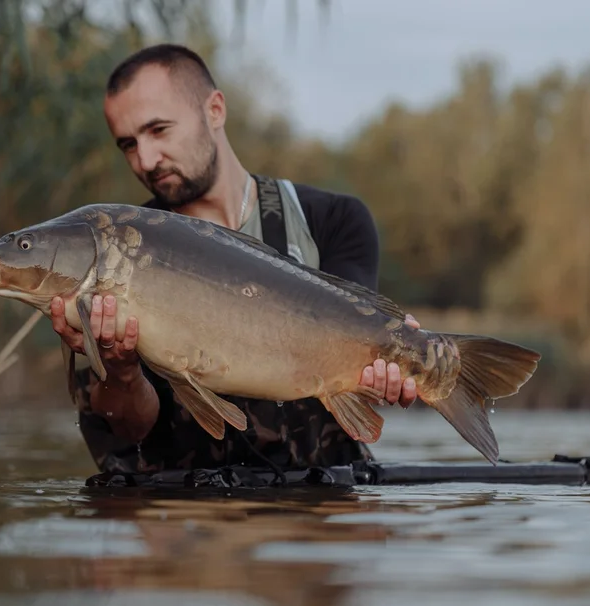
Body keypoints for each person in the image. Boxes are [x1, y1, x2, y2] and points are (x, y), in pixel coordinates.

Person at [50, 43, 420, 474]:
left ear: (215, 110)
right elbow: (127, 430)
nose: (146, 160)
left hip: (323, 513)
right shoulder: (114, 258)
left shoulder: (332, 220)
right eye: (128, 144)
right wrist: (121, 370)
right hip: (186, 518)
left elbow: (356, 349)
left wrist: (386, 371)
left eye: (159, 130)